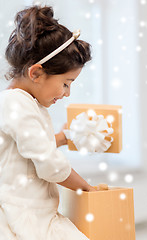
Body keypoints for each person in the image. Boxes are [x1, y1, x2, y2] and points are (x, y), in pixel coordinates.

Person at [0, 5, 97, 240]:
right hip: (22, 215)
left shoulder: (25, 103)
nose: (67, 93)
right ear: (36, 73)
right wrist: (88, 189)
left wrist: (62, 138)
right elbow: (49, 164)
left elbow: (29, 152)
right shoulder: (15, 104)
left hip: (35, 211)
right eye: (66, 83)